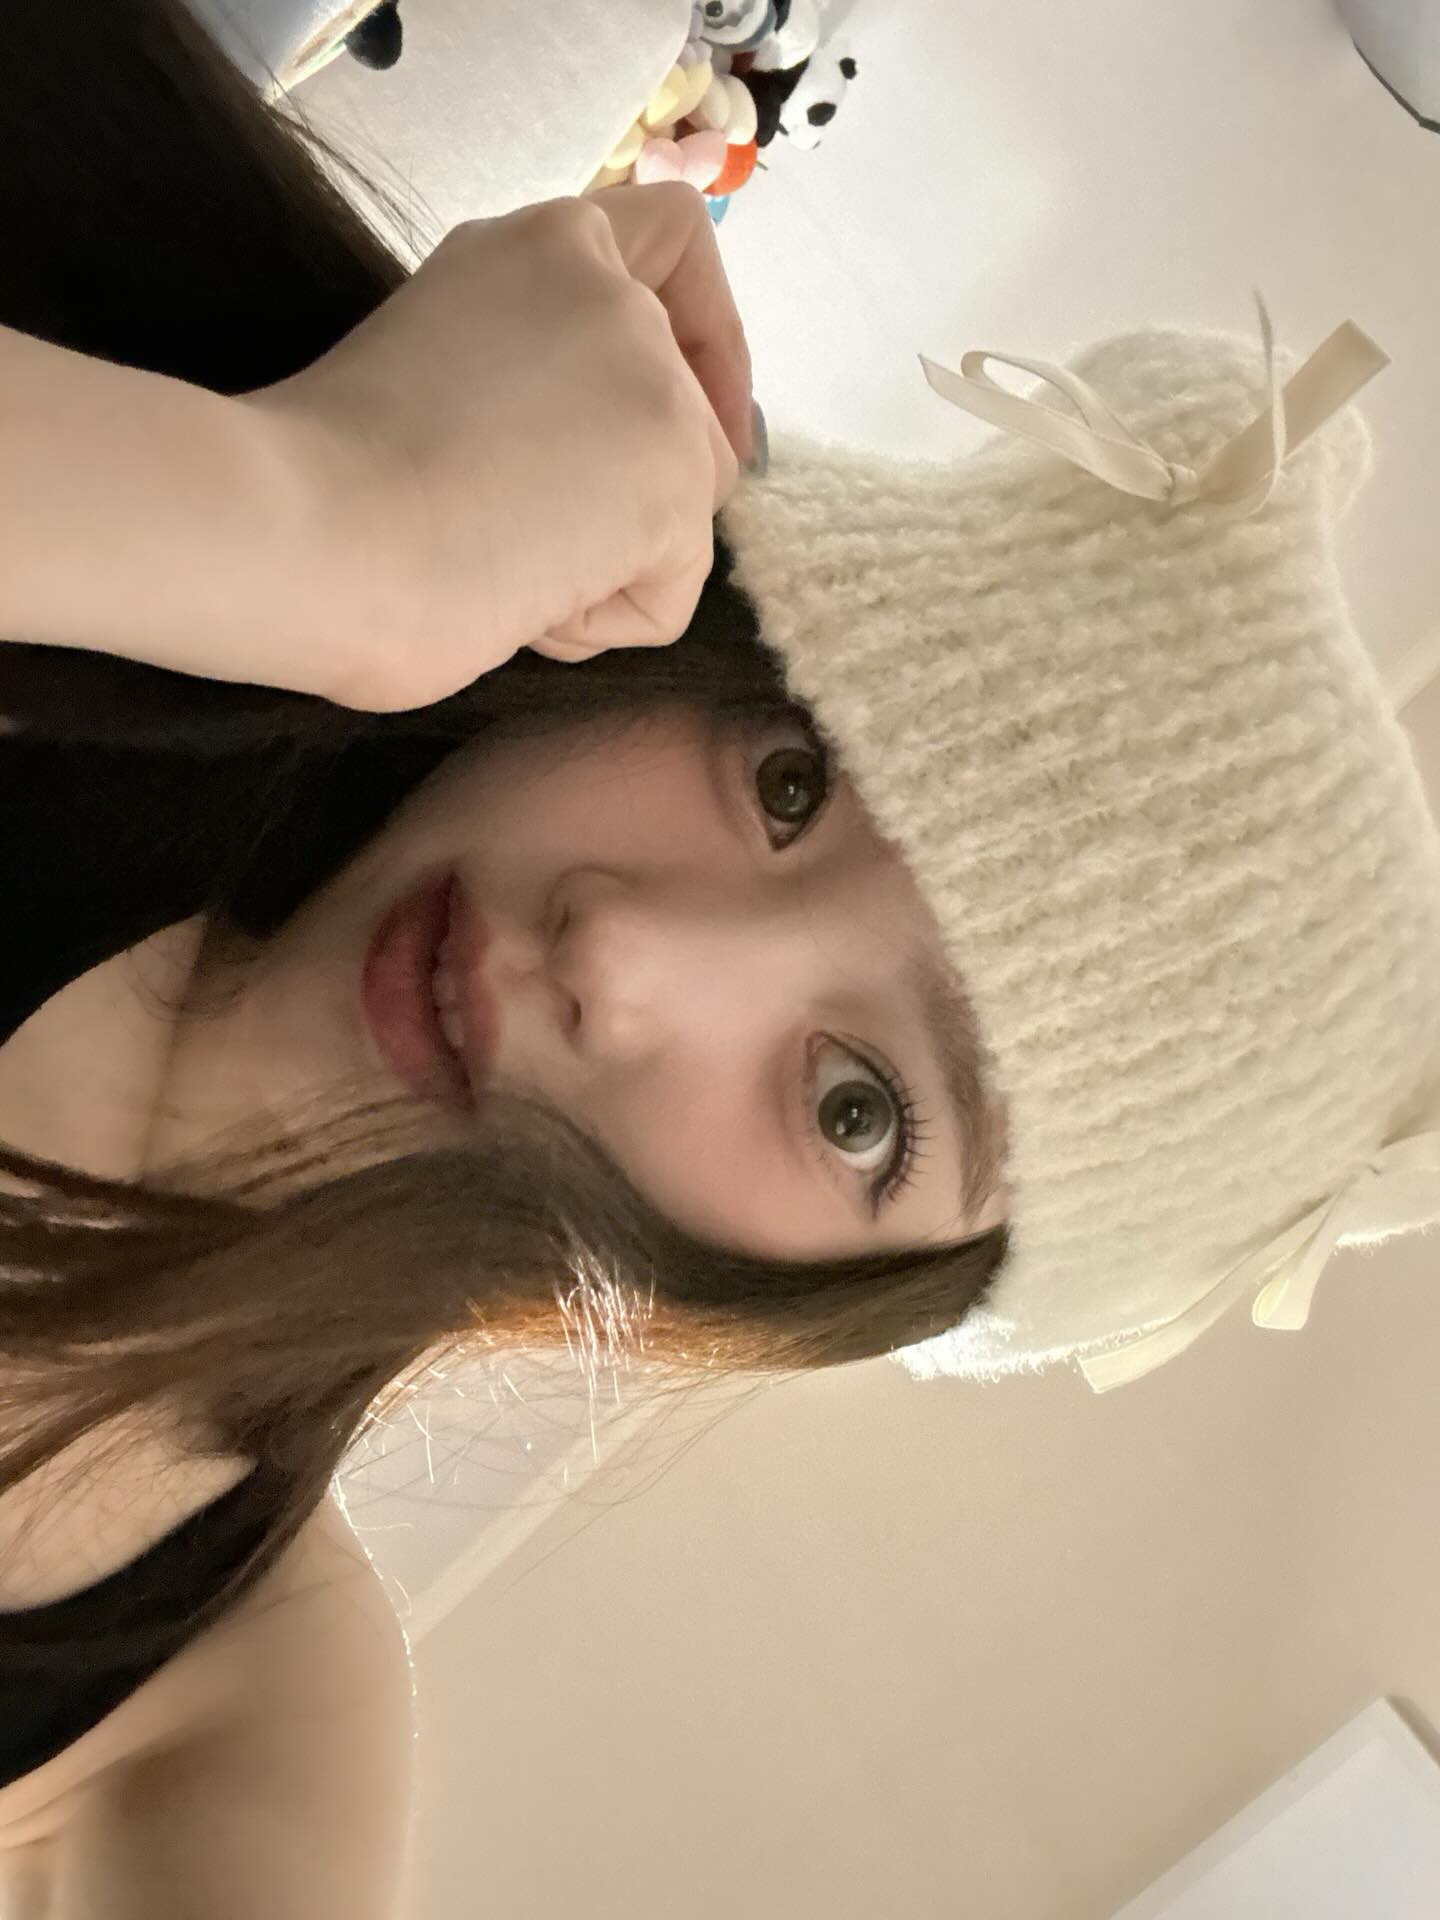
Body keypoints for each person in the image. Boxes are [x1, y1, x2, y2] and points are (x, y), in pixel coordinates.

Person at [3, 3, 1440, 1915]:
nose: (623, 958)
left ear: (830, 1295)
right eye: (787, 779)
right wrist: (318, 529)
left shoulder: (239, 1715)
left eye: (859, 1110)